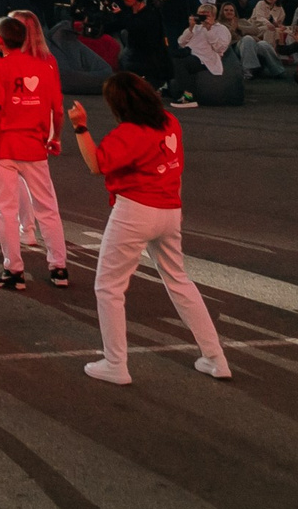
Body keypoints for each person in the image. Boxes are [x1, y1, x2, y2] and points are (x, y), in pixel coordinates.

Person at [65, 73, 232, 386]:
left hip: (134, 210)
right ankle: (215, 357)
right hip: (169, 209)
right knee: (179, 280)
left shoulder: (128, 134)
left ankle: (115, 363)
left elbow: (96, 164)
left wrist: (80, 126)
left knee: (109, 286)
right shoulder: (169, 121)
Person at [0, 15, 68, 291]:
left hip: (3, 145)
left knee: (6, 211)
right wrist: (55, 137)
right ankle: (59, 267)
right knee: (48, 208)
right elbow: (57, 110)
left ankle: (14, 270)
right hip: (34, 145)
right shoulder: (44, 67)